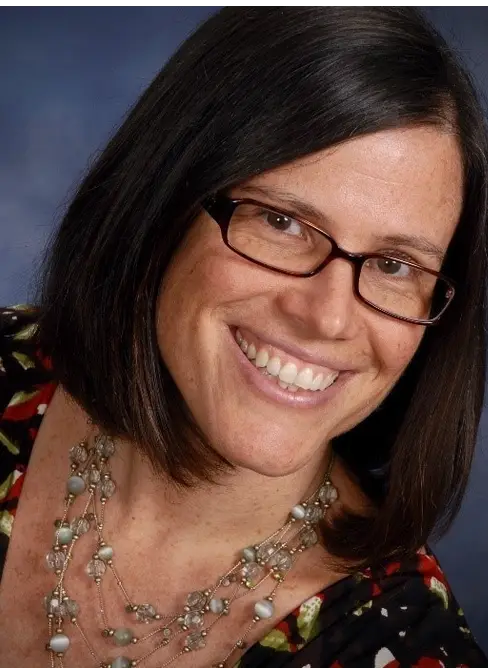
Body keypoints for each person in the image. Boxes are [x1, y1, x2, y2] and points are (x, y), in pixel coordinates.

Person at [0, 6, 487, 668]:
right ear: (162, 202)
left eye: (396, 266)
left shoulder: (405, 646)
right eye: (282, 222)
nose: (329, 317)